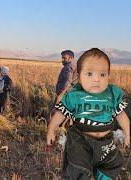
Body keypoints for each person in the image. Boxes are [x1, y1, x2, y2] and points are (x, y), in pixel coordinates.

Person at [47, 48, 130, 179]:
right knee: (77, 168)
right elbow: (60, 115)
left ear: (108, 75)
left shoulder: (112, 95)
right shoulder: (75, 95)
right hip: (80, 141)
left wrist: (127, 133)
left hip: (105, 141)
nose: (96, 79)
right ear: (79, 77)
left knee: (112, 164)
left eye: (102, 75)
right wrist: (51, 129)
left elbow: (122, 116)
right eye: (89, 74)